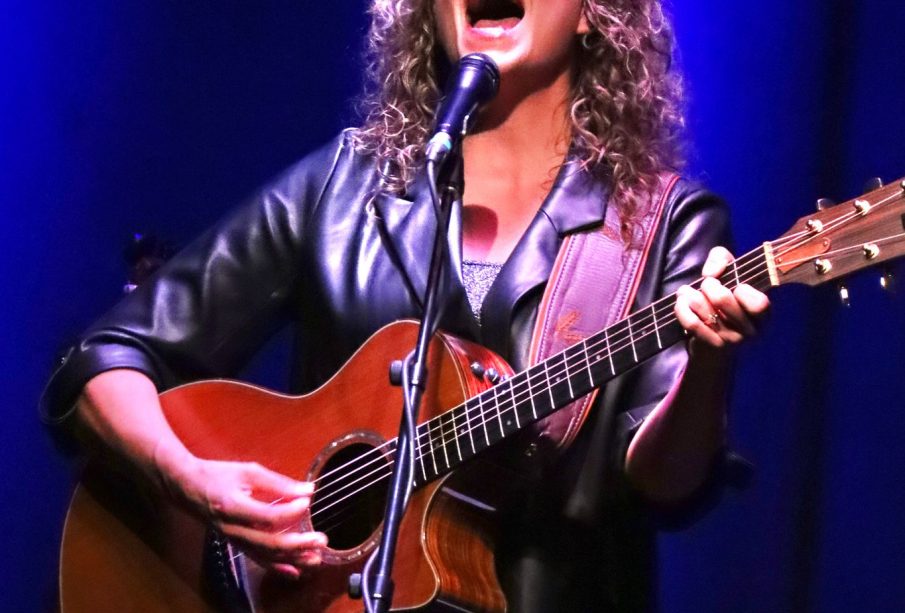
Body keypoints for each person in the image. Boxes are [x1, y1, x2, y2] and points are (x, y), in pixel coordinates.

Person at [42, 0, 770, 610]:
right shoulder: (344, 185)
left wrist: (708, 363)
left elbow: (667, 482)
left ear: (593, 14)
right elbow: (103, 358)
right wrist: (193, 480)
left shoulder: (659, 226)